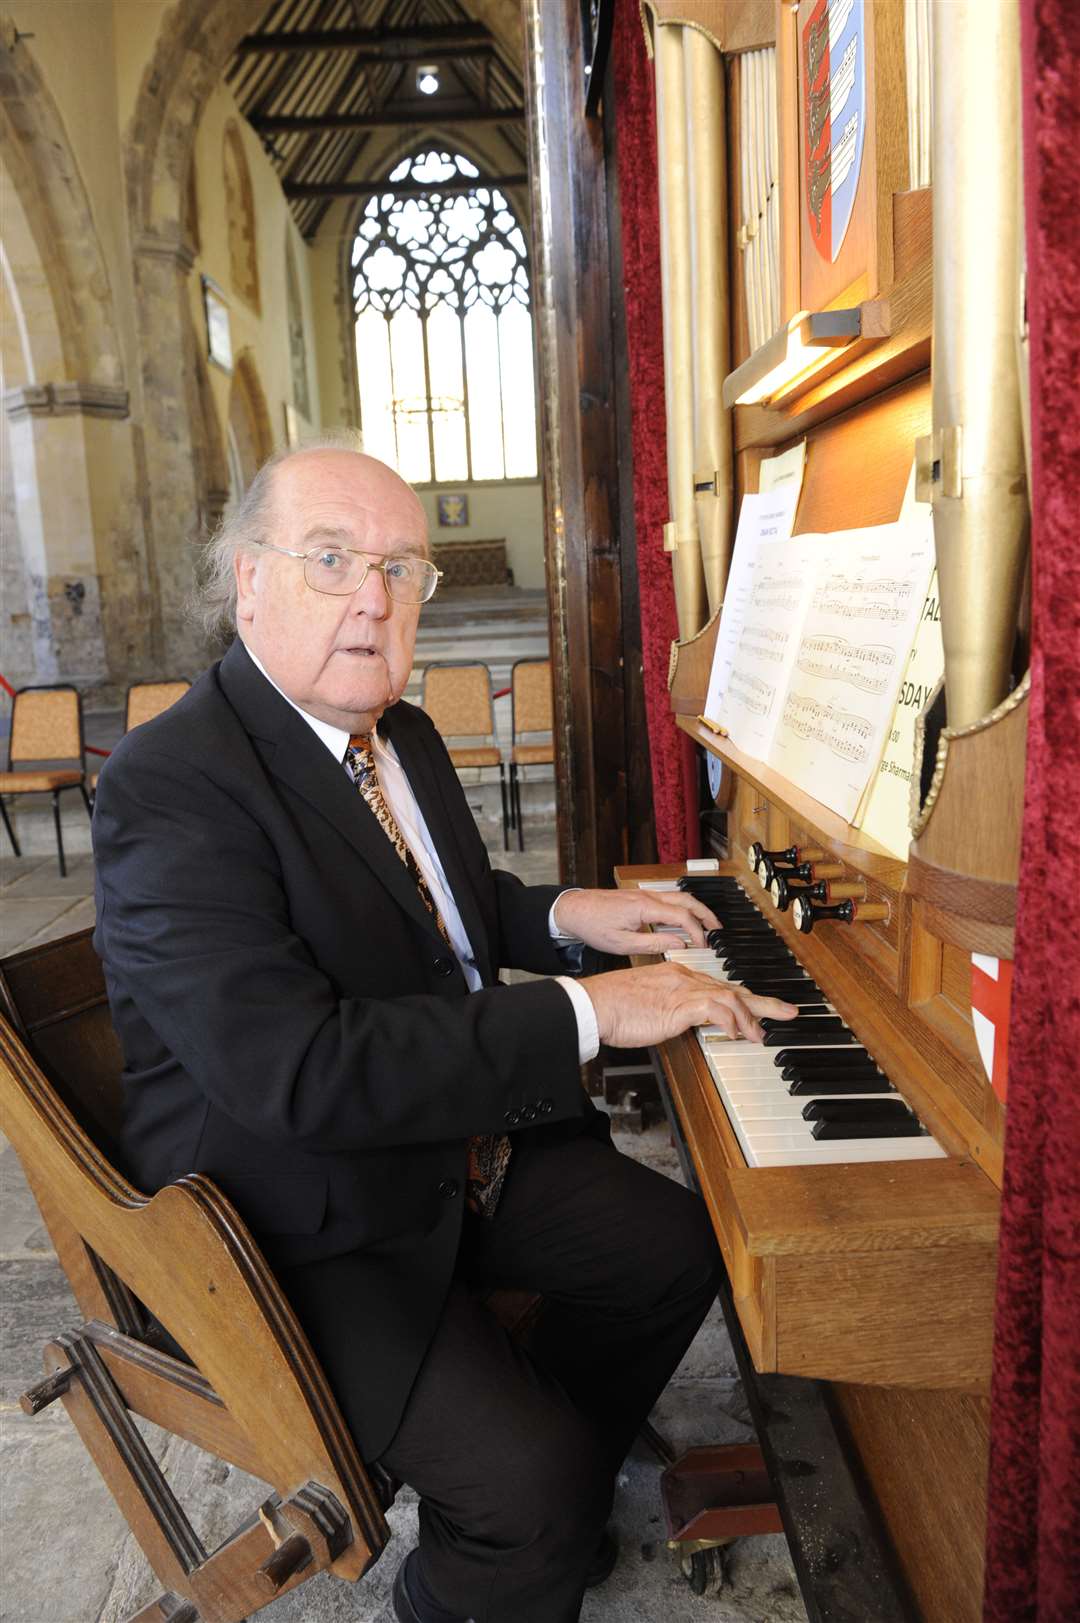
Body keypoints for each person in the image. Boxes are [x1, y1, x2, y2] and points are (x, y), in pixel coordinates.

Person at [92, 442, 796, 1623]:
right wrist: (589, 1009)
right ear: (246, 581)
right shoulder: (175, 788)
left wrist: (565, 918)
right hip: (288, 1212)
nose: (374, 596)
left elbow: (436, 914)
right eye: (332, 561)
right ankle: (489, 1554)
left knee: (679, 1247)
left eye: (401, 567)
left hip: (443, 1144)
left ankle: (541, 1493)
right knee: (528, 1485)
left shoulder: (398, 736)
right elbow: (299, 1074)